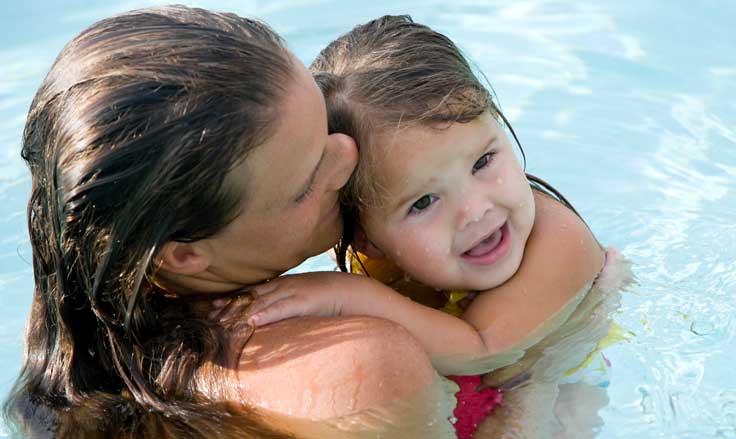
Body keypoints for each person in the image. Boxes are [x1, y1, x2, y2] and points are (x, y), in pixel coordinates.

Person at [3, 6, 458, 438]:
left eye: (323, 122)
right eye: (305, 183)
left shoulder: (69, 382)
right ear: (184, 255)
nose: (348, 154)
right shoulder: (359, 369)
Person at [221, 15, 632, 439]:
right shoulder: (375, 250)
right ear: (367, 236)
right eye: (423, 202)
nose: (474, 211)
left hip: (558, 383)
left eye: (483, 162)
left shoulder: (559, 241)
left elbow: (483, 350)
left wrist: (344, 295)